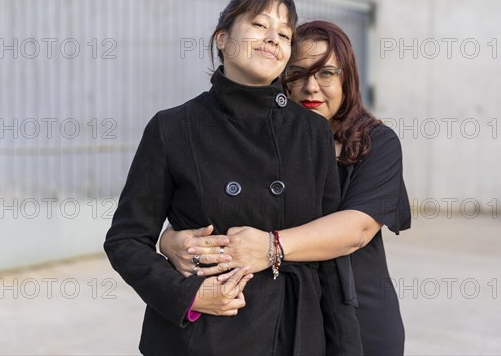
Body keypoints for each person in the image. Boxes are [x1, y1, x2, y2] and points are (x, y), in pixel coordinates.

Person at [104, 0, 363, 356]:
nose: (273, 38)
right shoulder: (173, 127)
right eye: (259, 25)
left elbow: (329, 256)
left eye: (285, 34)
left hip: (295, 335)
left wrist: (345, 347)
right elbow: (125, 240)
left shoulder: (311, 131)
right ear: (222, 38)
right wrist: (190, 295)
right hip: (206, 335)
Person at [160, 20, 412, 355]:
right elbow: (220, 210)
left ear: (347, 78)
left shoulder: (375, 143)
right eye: (297, 73)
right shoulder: (261, 139)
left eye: (326, 73)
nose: (310, 87)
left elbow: (357, 228)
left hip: (358, 312)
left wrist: (270, 246)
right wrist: (171, 239)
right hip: (281, 316)